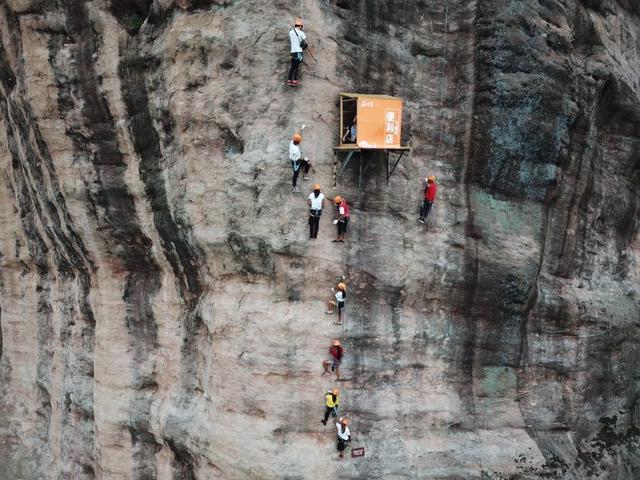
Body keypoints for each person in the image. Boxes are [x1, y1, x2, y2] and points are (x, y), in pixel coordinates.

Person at [287, 18, 307, 86]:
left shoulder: (290, 32)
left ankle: (289, 81)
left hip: (292, 52)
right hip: (298, 52)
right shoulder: (301, 33)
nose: (301, 28)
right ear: (300, 26)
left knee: (292, 66)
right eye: (301, 27)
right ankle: (295, 80)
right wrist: (303, 46)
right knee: (297, 66)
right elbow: (306, 42)